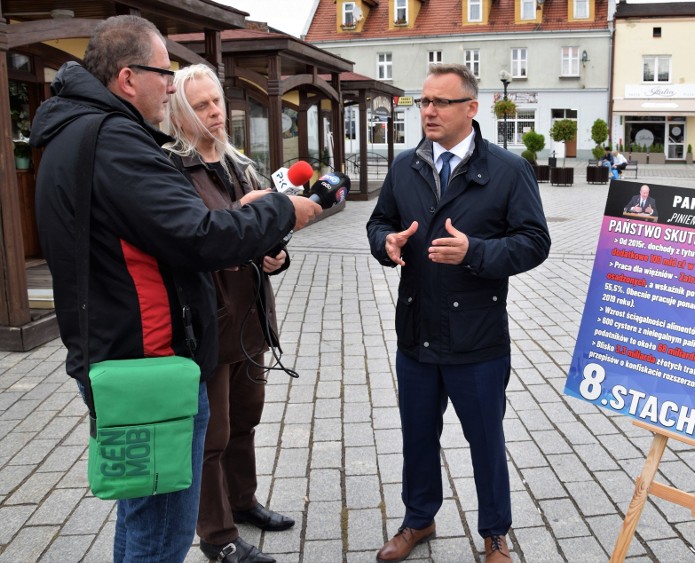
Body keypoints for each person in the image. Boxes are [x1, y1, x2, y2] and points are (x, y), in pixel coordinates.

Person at [30, 15, 321, 562]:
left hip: (122, 357)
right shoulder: (115, 140)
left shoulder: (77, 133)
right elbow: (197, 236)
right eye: (163, 73)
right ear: (125, 77)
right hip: (150, 365)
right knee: (161, 531)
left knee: (141, 516)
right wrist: (284, 211)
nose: (171, 85)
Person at [366, 63, 550, 563]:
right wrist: (386, 243)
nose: (428, 111)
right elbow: (379, 220)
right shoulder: (405, 166)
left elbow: (535, 243)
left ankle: (494, 534)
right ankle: (418, 519)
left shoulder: (509, 170)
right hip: (417, 331)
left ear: (471, 108)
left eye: (441, 102)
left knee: (486, 439)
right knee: (417, 435)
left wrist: (475, 252)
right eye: (423, 101)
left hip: (478, 337)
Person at [164, 64, 294, 563]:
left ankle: (243, 502)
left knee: (246, 418)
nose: (215, 112)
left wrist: (275, 257)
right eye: (201, 105)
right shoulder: (173, 168)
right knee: (212, 433)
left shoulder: (241, 163)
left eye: (216, 101)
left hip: (250, 318)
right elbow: (194, 241)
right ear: (179, 112)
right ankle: (217, 536)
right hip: (209, 322)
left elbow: (261, 235)